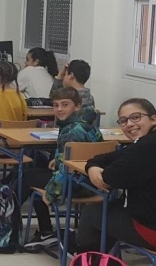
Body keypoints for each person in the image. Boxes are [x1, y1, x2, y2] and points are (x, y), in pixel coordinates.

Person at [69, 98, 156, 254]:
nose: (129, 124)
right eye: (123, 121)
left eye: (135, 117)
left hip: (151, 230)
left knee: (92, 213)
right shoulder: (143, 144)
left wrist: (94, 168)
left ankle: (82, 254)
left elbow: (110, 178)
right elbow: (114, 156)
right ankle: (95, 254)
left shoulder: (145, 147)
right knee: (111, 210)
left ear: (153, 118)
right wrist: (92, 165)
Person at [22, 87, 103, 251]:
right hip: (93, 183)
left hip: (76, 184)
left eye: (65, 105)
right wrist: (58, 159)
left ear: (78, 106)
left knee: (28, 178)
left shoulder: (70, 132)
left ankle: (36, 229)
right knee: (35, 173)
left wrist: (51, 193)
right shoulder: (89, 126)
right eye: (56, 105)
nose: (59, 109)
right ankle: (42, 230)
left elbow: (65, 171)